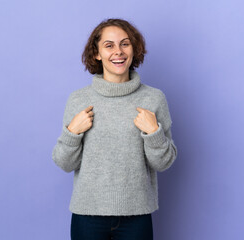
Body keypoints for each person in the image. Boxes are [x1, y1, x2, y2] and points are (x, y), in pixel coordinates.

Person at [52, 18, 178, 240]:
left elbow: (164, 163)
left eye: (125, 44)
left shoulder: (153, 98)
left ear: (134, 49)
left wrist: (154, 134)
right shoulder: (78, 100)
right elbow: (64, 163)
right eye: (109, 45)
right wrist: (72, 132)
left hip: (136, 216)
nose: (118, 52)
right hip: (87, 215)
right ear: (97, 53)